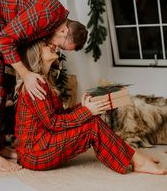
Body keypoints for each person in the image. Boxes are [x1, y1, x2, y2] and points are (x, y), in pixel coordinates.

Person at [0, 0, 88, 172]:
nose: (58, 49)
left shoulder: (52, 21)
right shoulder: (48, 14)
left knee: (3, 86)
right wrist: (26, 75)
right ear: (64, 31)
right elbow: (4, 40)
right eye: (63, 47)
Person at [15, 40, 167, 175]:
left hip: (41, 145)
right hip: (35, 153)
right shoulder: (36, 85)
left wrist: (83, 106)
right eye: (46, 45)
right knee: (92, 126)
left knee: (91, 118)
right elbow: (54, 123)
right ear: (36, 55)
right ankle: (137, 160)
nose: (53, 45)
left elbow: (58, 116)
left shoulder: (45, 81)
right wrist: (86, 111)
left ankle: (133, 156)